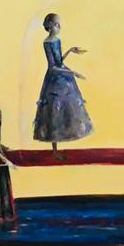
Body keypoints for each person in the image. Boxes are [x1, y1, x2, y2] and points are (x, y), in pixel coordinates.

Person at [32, 13, 92, 151]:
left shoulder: (57, 41)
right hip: (54, 80)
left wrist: (70, 51)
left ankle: (63, 141)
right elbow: (53, 67)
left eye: (59, 24)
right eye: (56, 24)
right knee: (54, 113)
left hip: (64, 76)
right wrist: (73, 73)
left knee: (68, 112)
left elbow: (59, 61)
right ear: (50, 26)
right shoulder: (47, 43)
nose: (59, 27)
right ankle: (54, 150)